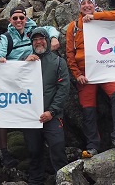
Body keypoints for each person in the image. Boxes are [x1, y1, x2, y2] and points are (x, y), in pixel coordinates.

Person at [0, 6, 60, 168]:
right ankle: (6, 152)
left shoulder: (34, 30)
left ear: (26, 18)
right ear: (10, 20)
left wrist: (54, 37)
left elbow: (50, 29)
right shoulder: (6, 37)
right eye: (15, 18)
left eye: (21, 18)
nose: (18, 21)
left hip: (34, 78)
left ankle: (41, 148)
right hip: (14, 78)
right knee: (2, 112)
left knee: (36, 109)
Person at [65, 0, 115, 157]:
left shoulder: (103, 18)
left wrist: (95, 16)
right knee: (88, 109)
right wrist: (77, 74)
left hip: (107, 69)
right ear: (79, 8)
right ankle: (93, 145)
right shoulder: (73, 27)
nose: (86, 5)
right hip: (85, 74)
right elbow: (70, 54)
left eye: (90, 3)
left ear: (95, 5)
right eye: (83, 3)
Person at [22, 27, 70, 185]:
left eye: (41, 39)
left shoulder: (58, 62)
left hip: (52, 116)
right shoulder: (25, 60)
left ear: (48, 41)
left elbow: (63, 90)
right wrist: (23, 65)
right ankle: (35, 180)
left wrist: (51, 111)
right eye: (35, 40)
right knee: (34, 151)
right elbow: (11, 81)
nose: (38, 42)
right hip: (30, 117)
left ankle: (63, 179)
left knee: (57, 147)